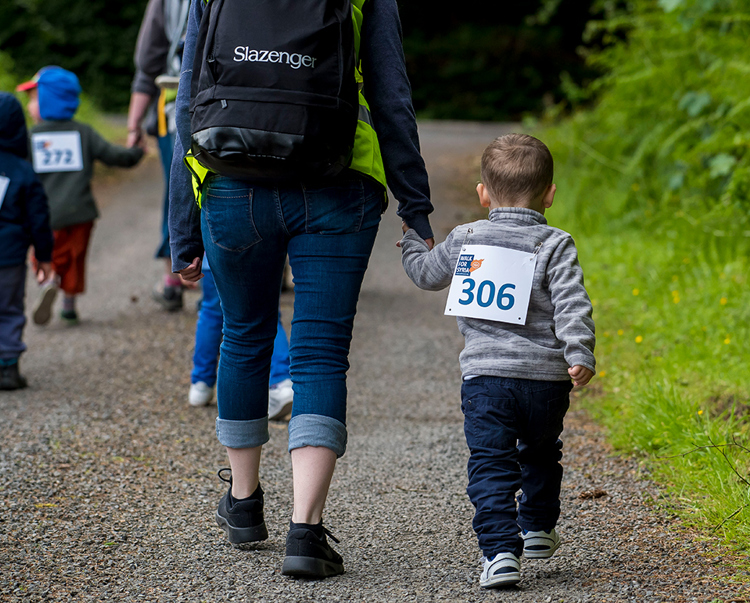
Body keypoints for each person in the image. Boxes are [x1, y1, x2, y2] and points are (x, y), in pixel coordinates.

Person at [170, 0, 433, 578]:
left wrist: (181, 226)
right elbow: (391, 96)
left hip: (231, 180)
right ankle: (305, 532)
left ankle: (242, 506)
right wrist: (415, 201)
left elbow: (187, 103)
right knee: (319, 354)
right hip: (339, 180)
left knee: (243, 334)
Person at [400, 133, 595, 588]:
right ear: (550, 194)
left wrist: (411, 243)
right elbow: (573, 302)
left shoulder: (468, 237)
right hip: (546, 379)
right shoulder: (556, 243)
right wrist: (577, 350)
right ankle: (539, 527)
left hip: (486, 378)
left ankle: (501, 552)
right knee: (541, 451)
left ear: (483, 193)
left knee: (491, 462)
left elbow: (427, 275)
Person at [17, 67, 144, 325]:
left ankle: (49, 280)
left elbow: (19, 172)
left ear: (48, 100)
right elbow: (114, 156)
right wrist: (136, 153)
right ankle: (68, 305)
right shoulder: (83, 132)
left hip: (44, 216)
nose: (29, 107)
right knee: (75, 258)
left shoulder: (31, 137)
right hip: (81, 213)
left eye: (32, 99)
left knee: (45, 254)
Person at [127, 0, 191, 311]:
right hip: (240, 105)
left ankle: (173, 278)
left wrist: (133, 127)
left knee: (178, 190)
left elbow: (148, 64)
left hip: (178, 107)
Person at [189, 254, 294, 421]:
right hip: (262, 252)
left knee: (211, 314)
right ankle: (282, 379)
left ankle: (202, 382)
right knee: (266, 313)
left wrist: (186, 255)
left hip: (214, 255)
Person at [0, 93, 54, 390]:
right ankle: (7, 368)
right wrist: (44, 256)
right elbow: (39, 219)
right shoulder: (23, 171)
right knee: (8, 309)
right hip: (8, 259)